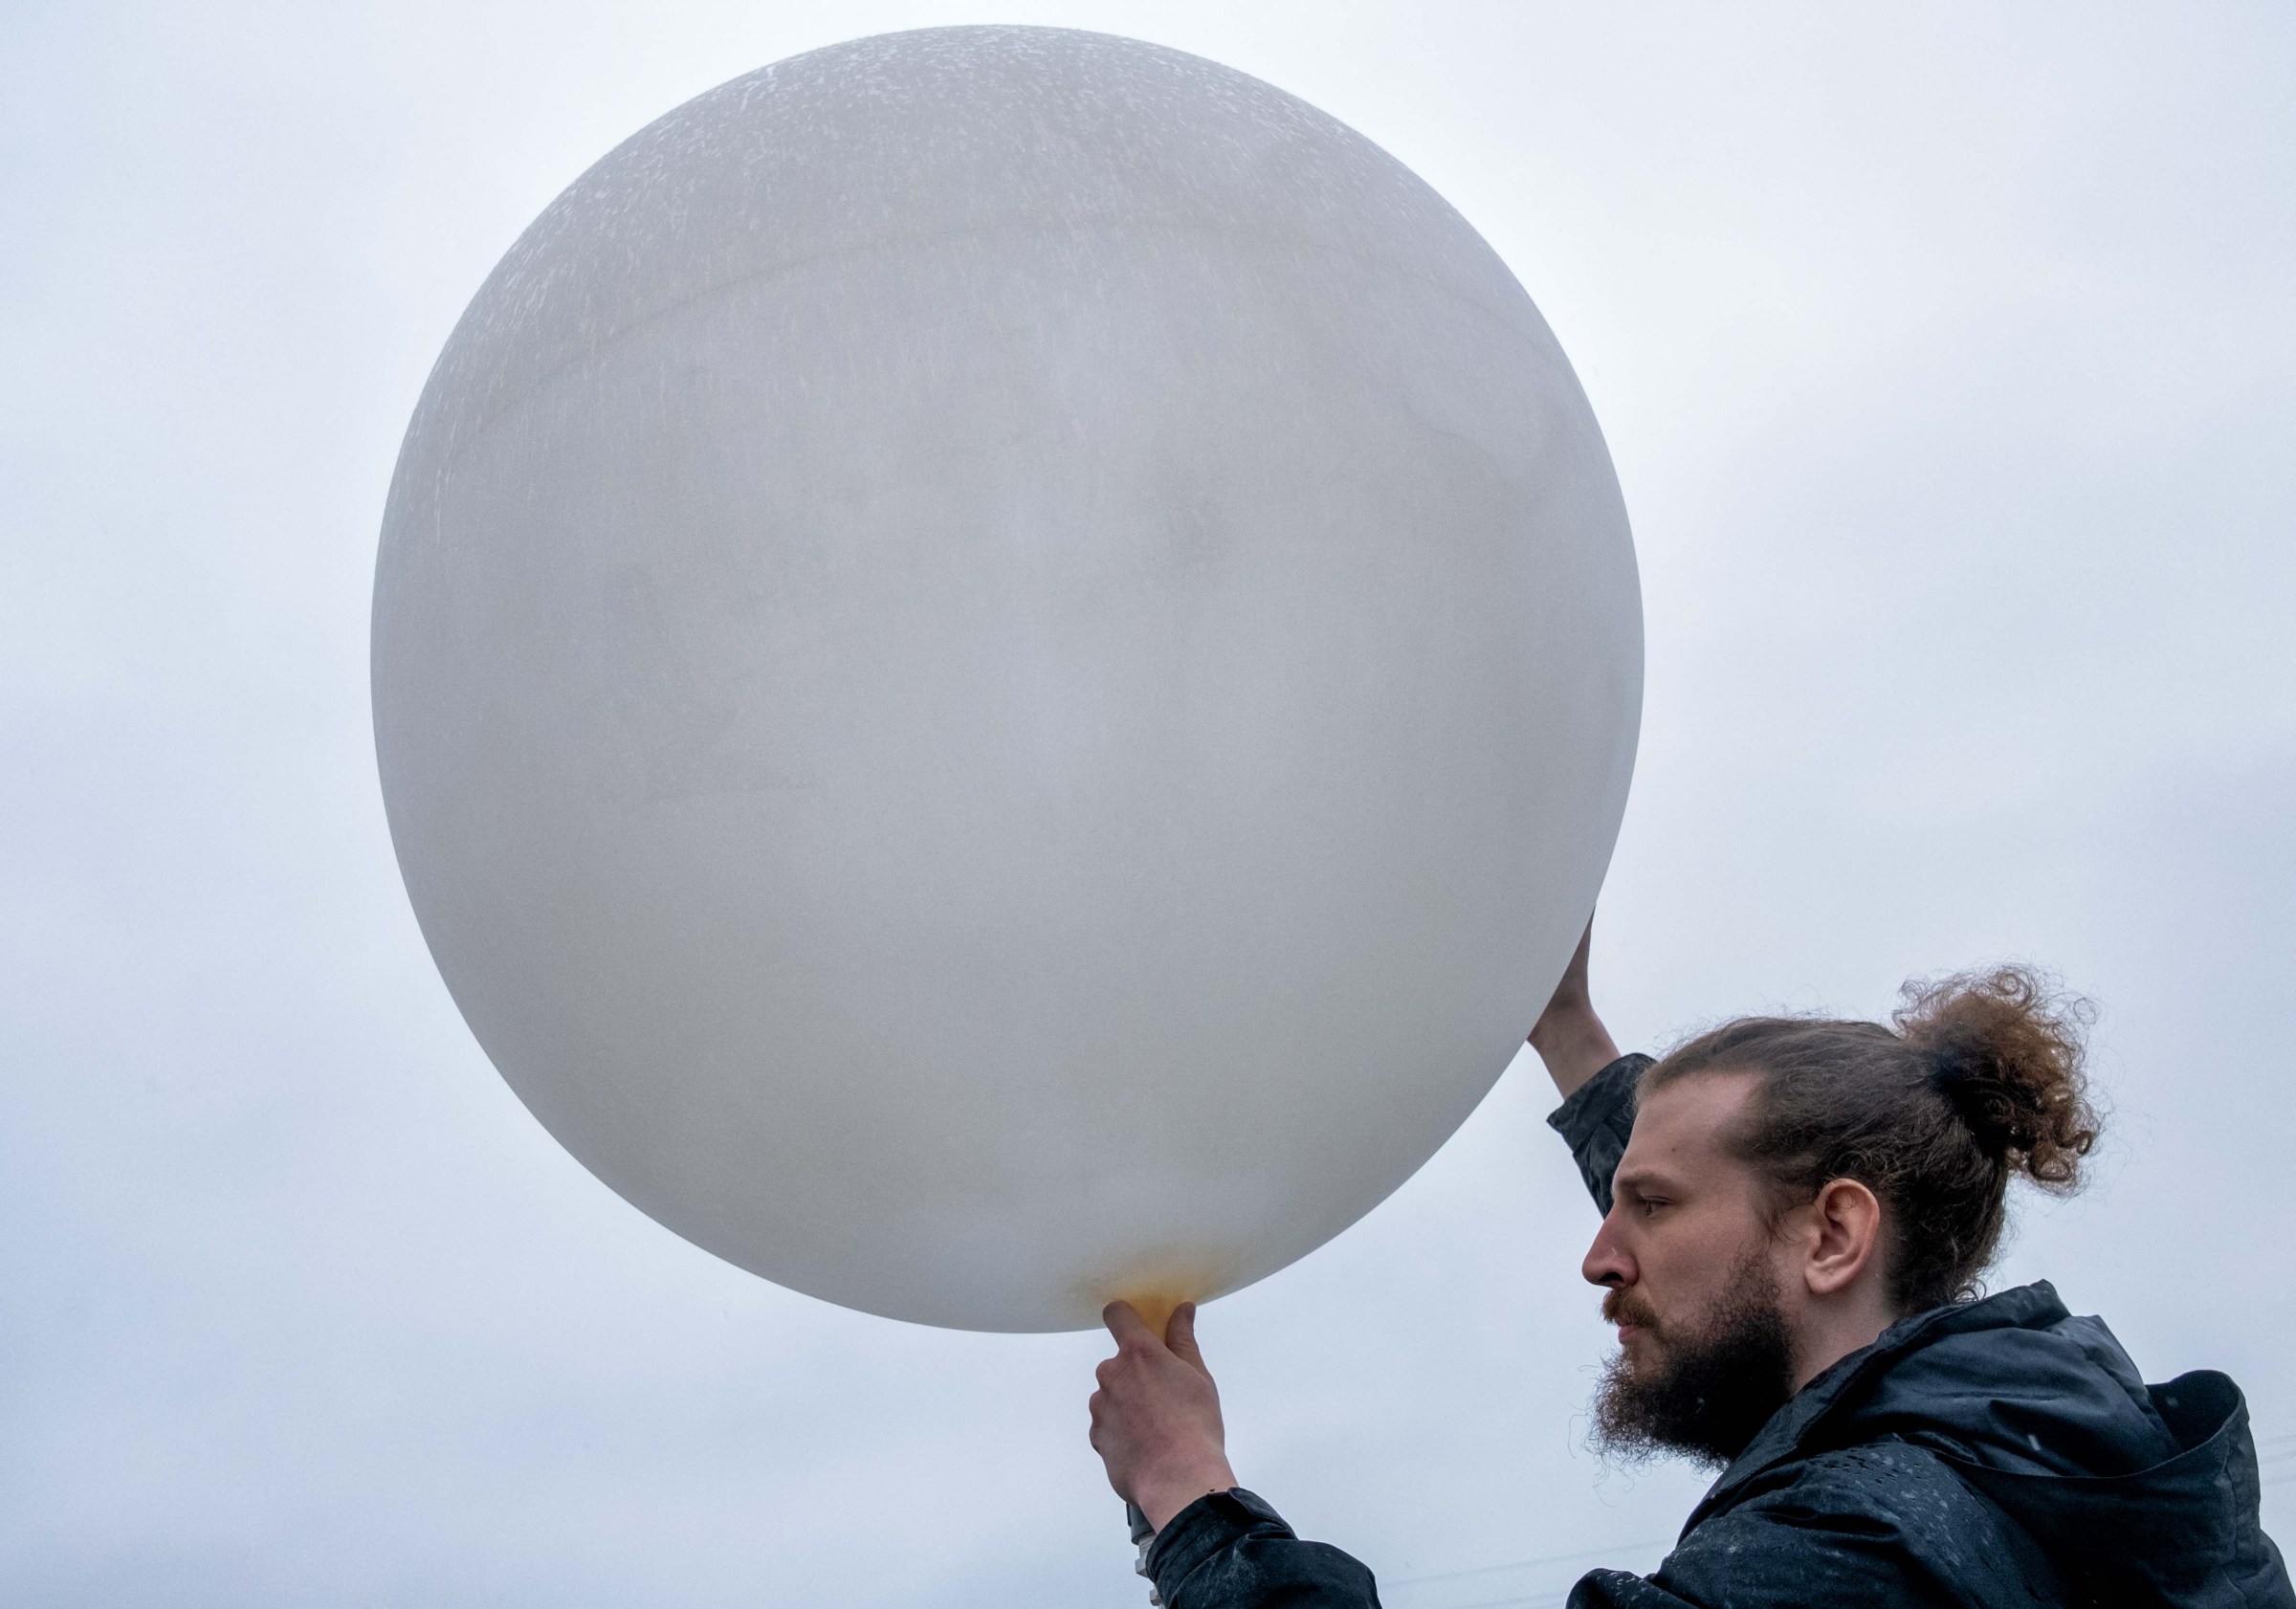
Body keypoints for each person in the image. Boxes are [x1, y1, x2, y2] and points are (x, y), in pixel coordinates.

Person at [1087, 929, 2295, 1608]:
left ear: (1835, 1233)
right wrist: (1568, 1025)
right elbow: (1738, 1246)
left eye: (1648, 1208)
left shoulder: (1862, 1553)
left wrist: (1192, 1500)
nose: (1599, 1257)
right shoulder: (2036, 1449)